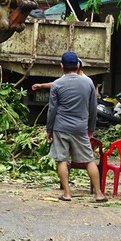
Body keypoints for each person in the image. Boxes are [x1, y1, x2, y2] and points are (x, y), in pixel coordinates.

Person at [46, 51, 107, 202]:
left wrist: (49, 129)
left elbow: (52, 109)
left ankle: (67, 193)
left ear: (61, 66)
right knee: (89, 159)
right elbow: (93, 108)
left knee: (62, 159)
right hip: (80, 127)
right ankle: (99, 194)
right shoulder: (88, 83)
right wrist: (91, 128)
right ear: (78, 65)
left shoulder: (57, 84)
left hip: (61, 127)